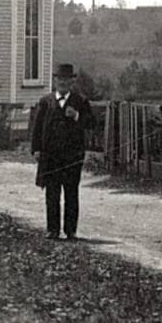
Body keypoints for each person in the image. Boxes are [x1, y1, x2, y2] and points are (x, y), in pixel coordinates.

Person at [29, 63, 95, 240]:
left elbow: (91, 123)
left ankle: (71, 230)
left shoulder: (81, 101)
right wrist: (35, 149)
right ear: (55, 81)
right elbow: (36, 128)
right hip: (51, 156)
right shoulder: (46, 102)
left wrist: (76, 116)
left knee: (71, 193)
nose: (63, 82)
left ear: (72, 81)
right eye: (59, 79)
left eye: (66, 79)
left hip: (72, 156)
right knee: (52, 193)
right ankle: (53, 229)